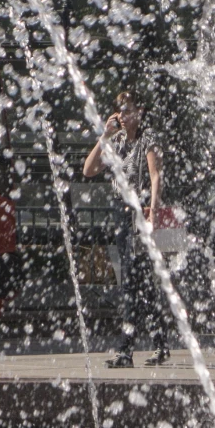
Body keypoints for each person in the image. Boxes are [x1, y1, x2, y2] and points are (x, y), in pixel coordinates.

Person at [82, 90, 168, 368]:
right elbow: (88, 170)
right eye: (121, 111)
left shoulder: (148, 138)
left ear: (139, 112)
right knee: (139, 282)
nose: (125, 115)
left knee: (132, 283)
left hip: (141, 213)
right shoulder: (117, 140)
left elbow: (155, 177)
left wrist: (153, 215)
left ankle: (126, 350)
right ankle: (161, 344)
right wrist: (105, 135)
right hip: (122, 215)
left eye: (129, 110)